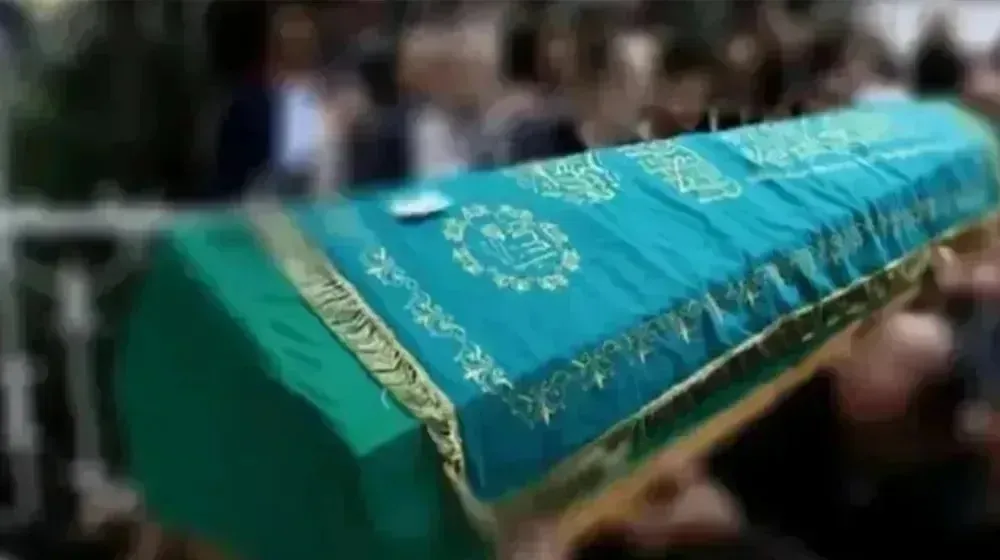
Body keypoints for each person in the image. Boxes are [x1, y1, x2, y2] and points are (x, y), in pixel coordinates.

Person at [498, 247, 1000, 560]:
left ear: (905, 428)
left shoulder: (949, 518)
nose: (848, 353)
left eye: (877, 356)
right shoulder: (810, 398)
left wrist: (733, 538)